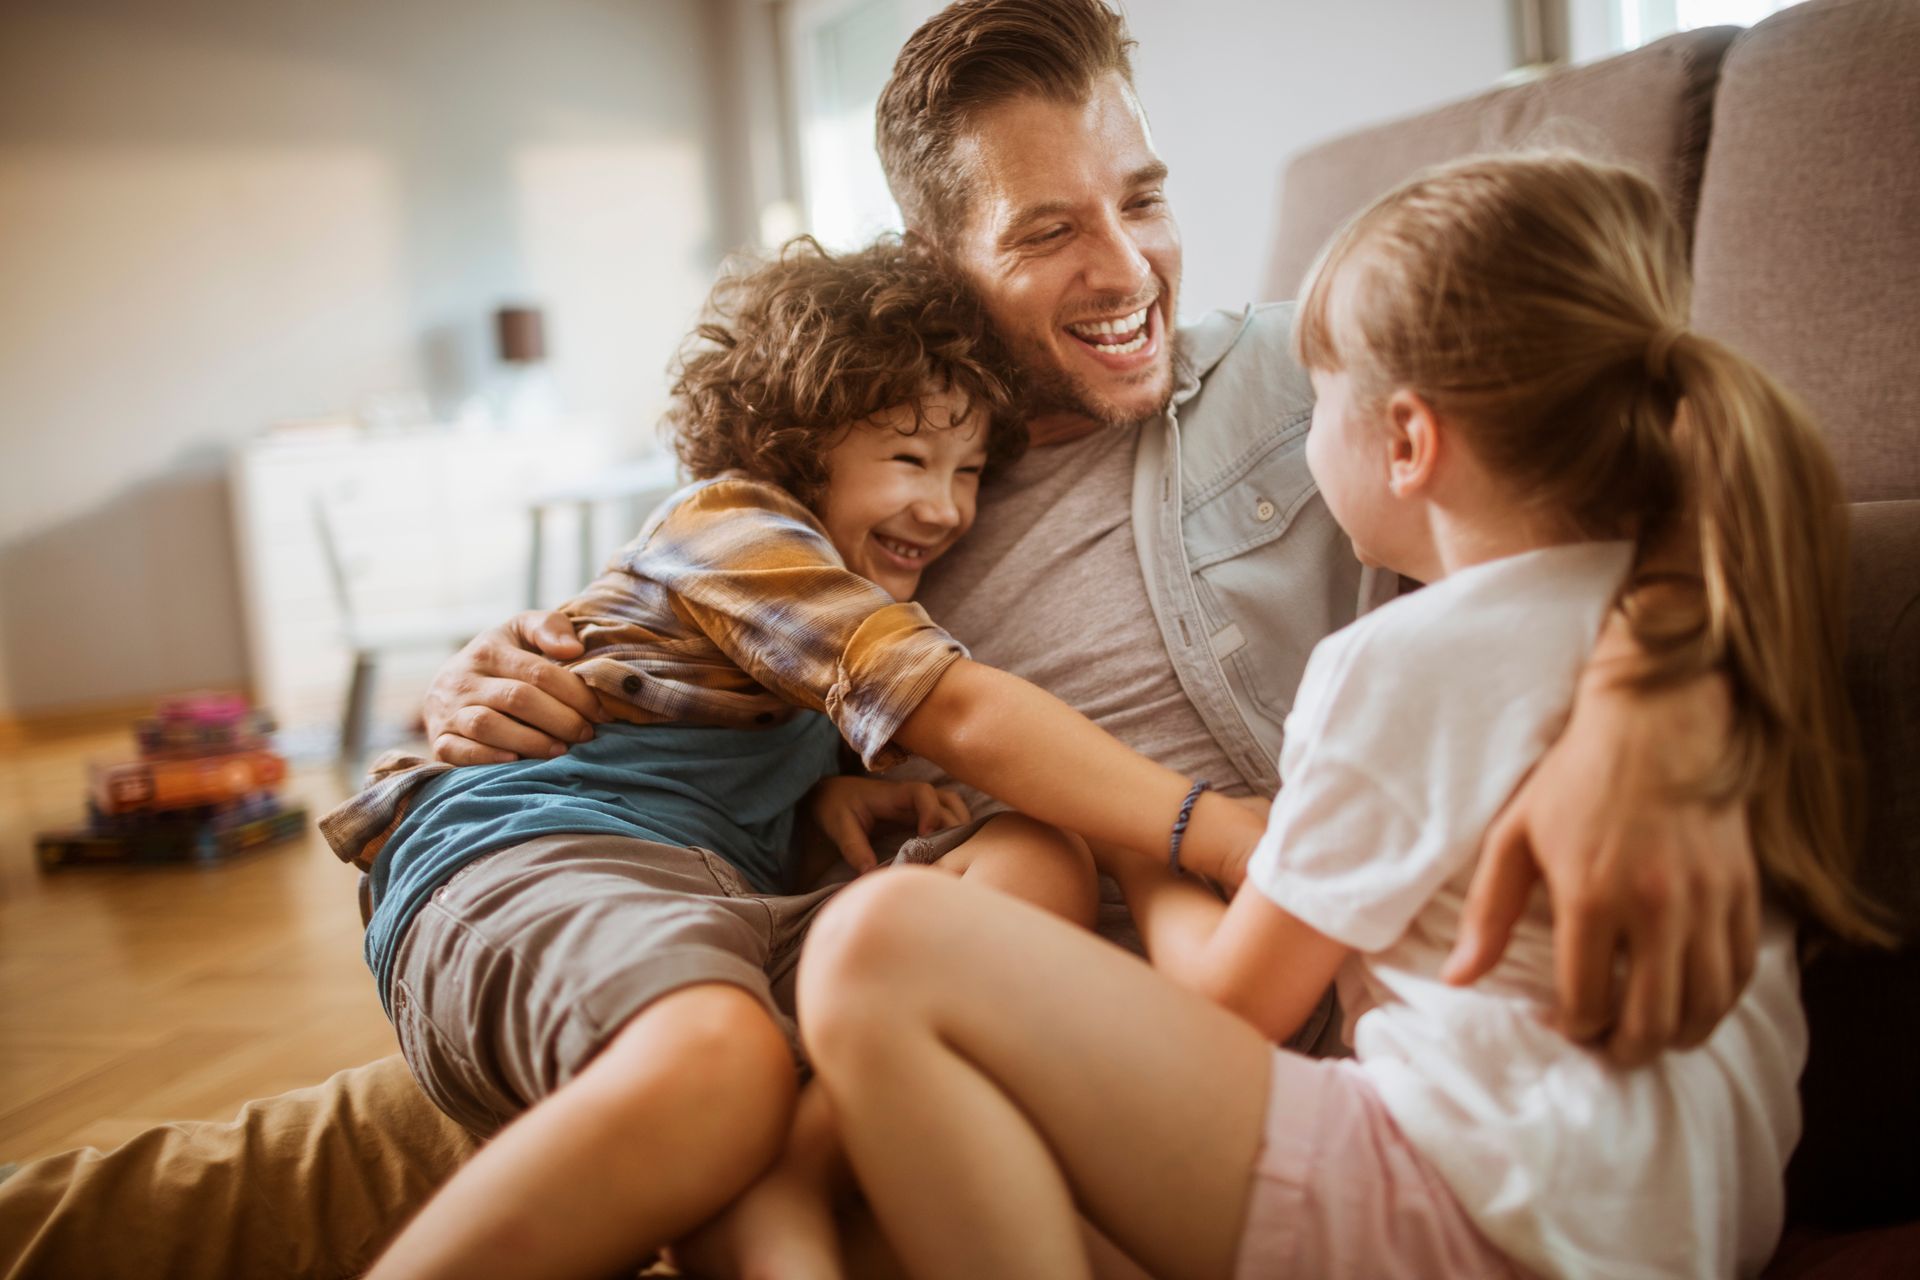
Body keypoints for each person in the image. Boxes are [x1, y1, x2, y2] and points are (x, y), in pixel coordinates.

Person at [0, 4, 1761, 1277]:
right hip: (774, 939)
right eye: (1050, 228)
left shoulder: (1306, 367)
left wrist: (1647, 702)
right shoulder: (874, 487)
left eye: (1141, 196)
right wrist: (513, 672)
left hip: (1162, 1025)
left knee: (706, 1112)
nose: (1128, 267)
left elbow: (1668, 412)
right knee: (274, 1176)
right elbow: (708, 621)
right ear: (935, 255)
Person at [793, 151, 1889, 1279]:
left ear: (1408, 443)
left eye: (1318, 400)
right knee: (922, 1203)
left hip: (1474, 1209)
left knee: (873, 948)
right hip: (1687, 1228)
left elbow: (1230, 1007)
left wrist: (1141, 844)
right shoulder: (1705, 617)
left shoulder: (1405, 661)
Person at [348, 236, 1287, 1280]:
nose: (947, 507)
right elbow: (959, 710)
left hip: (706, 906)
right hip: (535, 858)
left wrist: (814, 796)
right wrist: (1203, 821)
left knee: (1039, 856)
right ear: (796, 441)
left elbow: (700, 722)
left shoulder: (828, 589)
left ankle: (778, 1179)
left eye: (969, 471)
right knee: (722, 1063)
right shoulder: (734, 521)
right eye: (909, 459)